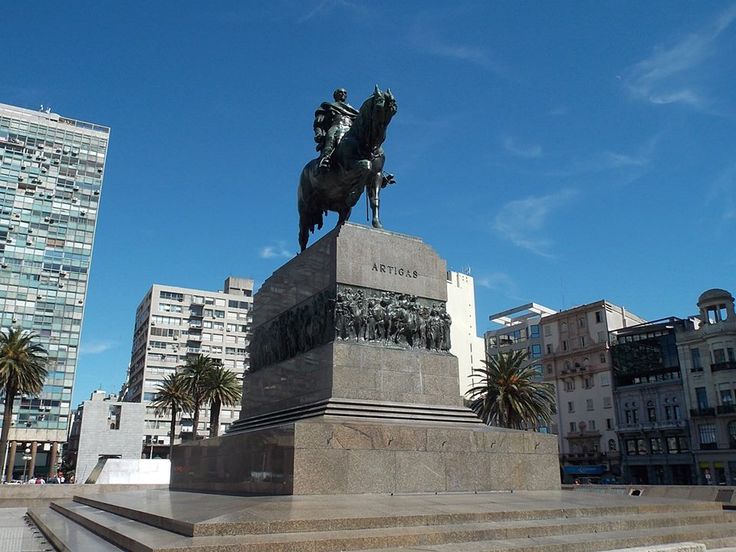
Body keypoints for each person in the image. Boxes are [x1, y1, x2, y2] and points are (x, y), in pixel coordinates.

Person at [313, 88, 359, 170]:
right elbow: (318, 123)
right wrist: (318, 132)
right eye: (340, 92)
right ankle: (325, 159)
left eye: (345, 93)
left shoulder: (352, 110)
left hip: (350, 129)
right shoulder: (328, 106)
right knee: (331, 137)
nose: (343, 94)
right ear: (335, 95)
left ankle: (375, 167)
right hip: (336, 126)